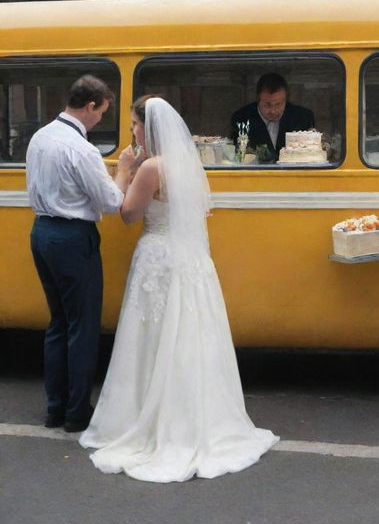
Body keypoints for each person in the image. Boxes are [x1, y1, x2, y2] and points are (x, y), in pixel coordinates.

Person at [79, 95, 278, 483]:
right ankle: (198, 414)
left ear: (147, 128)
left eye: (135, 125)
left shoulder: (151, 167)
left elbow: (127, 214)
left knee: (152, 338)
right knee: (191, 335)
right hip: (190, 259)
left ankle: (148, 417)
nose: (133, 131)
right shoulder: (188, 162)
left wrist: (124, 171)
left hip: (158, 257)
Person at [26, 75, 137, 433]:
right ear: (90, 106)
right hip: (73, 237)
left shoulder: (40, 137)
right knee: (82, 327)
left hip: (42, 231)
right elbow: (111, 202)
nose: (100, 119)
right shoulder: (82, 149)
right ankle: (77, 413)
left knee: (57, 324)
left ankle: (55, 408)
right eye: (101, 112)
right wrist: (123, 172)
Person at [230, 72, 315, 163]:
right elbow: (238, 156)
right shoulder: (241, 118)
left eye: (278, 104)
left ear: (286, 99)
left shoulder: (303, 117)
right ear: (258, 100)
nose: (273, 111)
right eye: (267, 105)